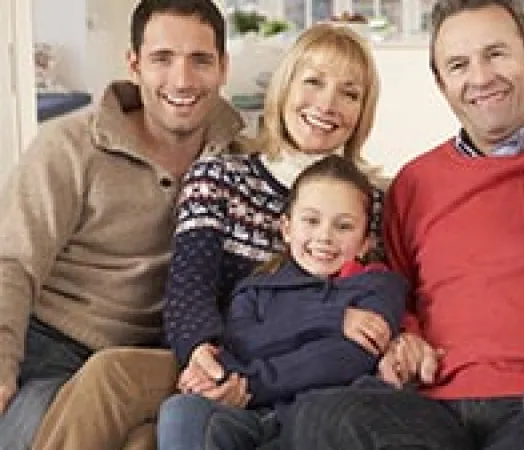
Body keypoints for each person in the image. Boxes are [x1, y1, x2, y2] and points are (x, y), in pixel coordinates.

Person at [31, 20, 386, 450]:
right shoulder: (220, 175)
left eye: (349, 93)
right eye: (313, 82)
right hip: (218, 354)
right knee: (115, 379)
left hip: (312, 370)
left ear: (363, 111)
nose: (327, 104)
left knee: (148, 437)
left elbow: (381, 300)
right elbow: (189, 288)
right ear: (284, 89)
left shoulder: (375, 202)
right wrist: (205, 358)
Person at [281, 1, 524, 449]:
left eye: (496, 54)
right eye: (459, 64)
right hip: (434, 404)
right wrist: (404, 337)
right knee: (319, 415)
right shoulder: (415, 182)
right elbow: (393, 289)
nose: (481, 77)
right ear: (442, 84)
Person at [0, 0, 240, 449]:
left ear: (223, 67)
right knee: (24, 433)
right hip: (50, 347)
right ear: (133, 65)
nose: (183, 80)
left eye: (200, 60)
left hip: (154, 357)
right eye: (162, 59)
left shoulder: (242, 157)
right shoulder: (69, 147)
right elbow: (11, 261)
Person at [157, 154, 406, 449]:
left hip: (325, 418)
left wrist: (251, 383)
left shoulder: (377, 287)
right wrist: (331, 319)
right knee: (181, 410)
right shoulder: (256, 289)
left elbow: (344, 360)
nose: (324, 236)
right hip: (254, 415)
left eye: (343, 226)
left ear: (366, 242)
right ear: (287, 229)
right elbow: (242, 343)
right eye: (311, 221)